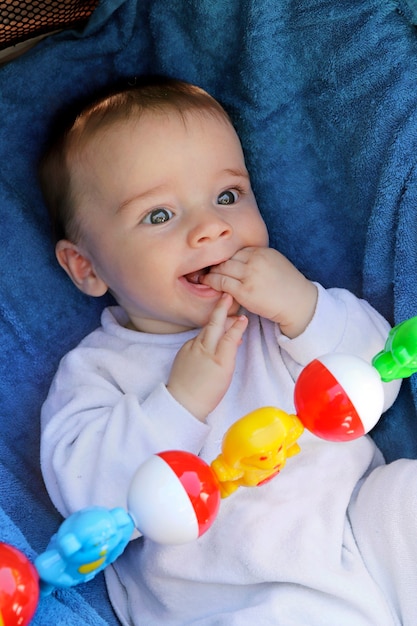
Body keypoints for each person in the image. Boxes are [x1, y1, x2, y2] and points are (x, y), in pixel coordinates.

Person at [39, 77, 411, 626]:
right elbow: (93, 507)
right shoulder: (99, 371)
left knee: (406, 494)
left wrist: (305, 308)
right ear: (87, 267)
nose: (211, 227)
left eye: (228, 197)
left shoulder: (278, 316)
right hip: (241, 598)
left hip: (361, 529)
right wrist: (180, 401)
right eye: (160, 215)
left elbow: (380, 376)